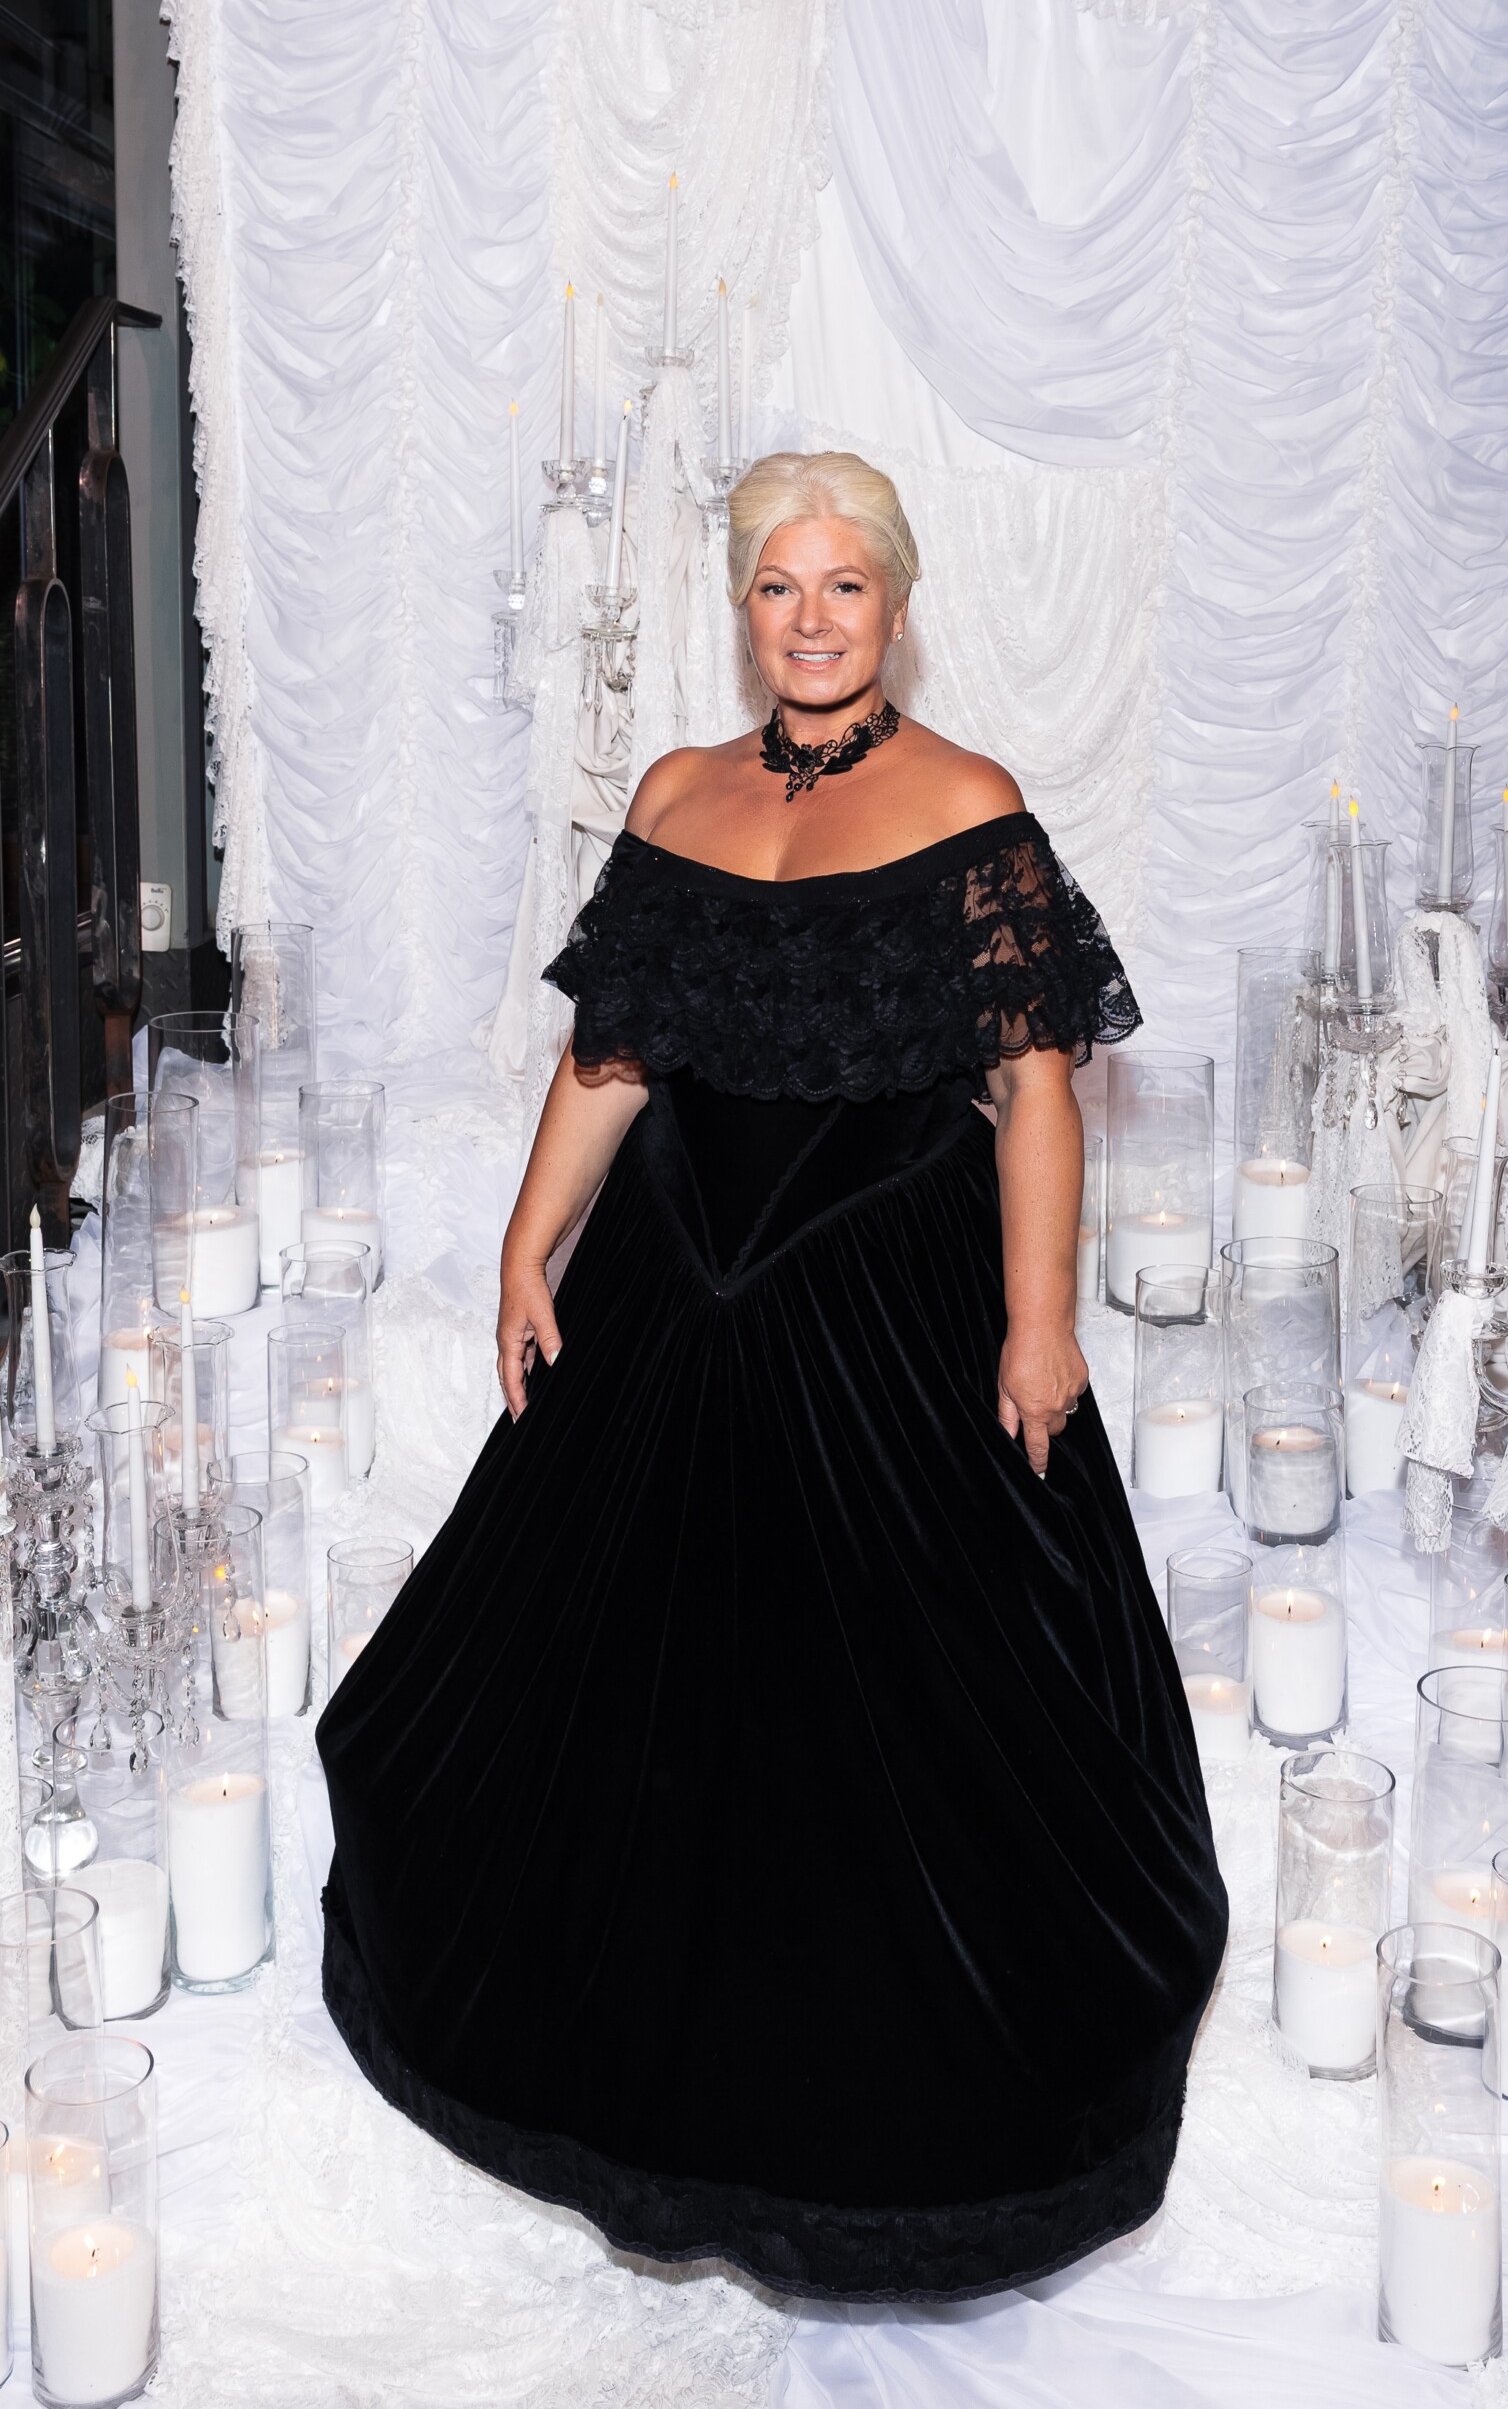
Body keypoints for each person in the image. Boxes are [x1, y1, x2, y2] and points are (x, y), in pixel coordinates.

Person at [318, 450, 1227, 2303]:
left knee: (906, 1723)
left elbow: (1035, 1092)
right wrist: (528, 1245)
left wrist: (1035, 1320)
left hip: (886, 1315)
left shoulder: (968, 805)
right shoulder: (676, 795)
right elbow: (610, 1060)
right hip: (670, 1298)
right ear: (742, 609)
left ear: (894, 600)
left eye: (843, 586)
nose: (810, 621)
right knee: (611, 1693)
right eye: (776, 587)